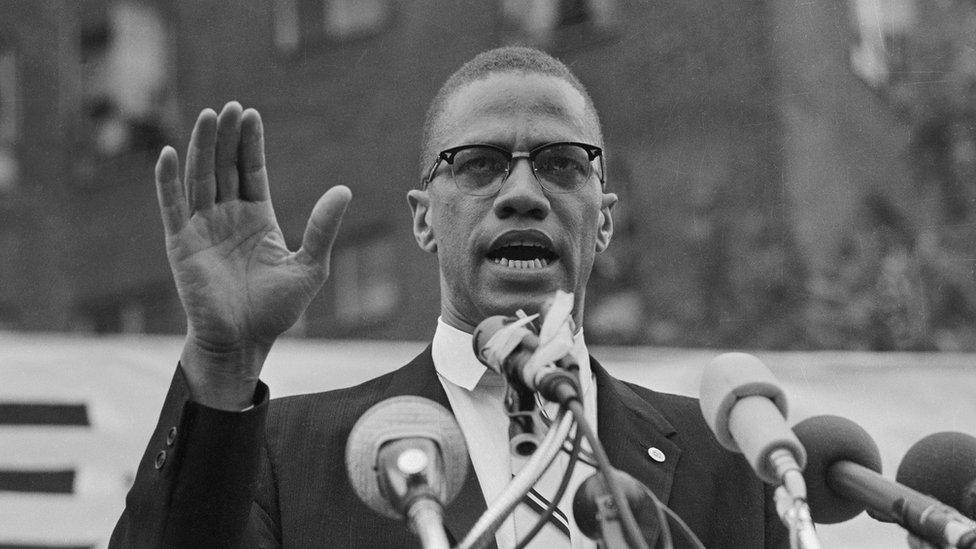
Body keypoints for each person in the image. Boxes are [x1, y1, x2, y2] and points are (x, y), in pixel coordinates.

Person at [110, 47, 786, 548]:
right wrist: (224, 362)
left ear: (602, 217)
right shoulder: (289, 454)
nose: (522, 194)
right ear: (424, 218)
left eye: (561, 163)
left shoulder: (729, 464)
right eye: (480, 164)